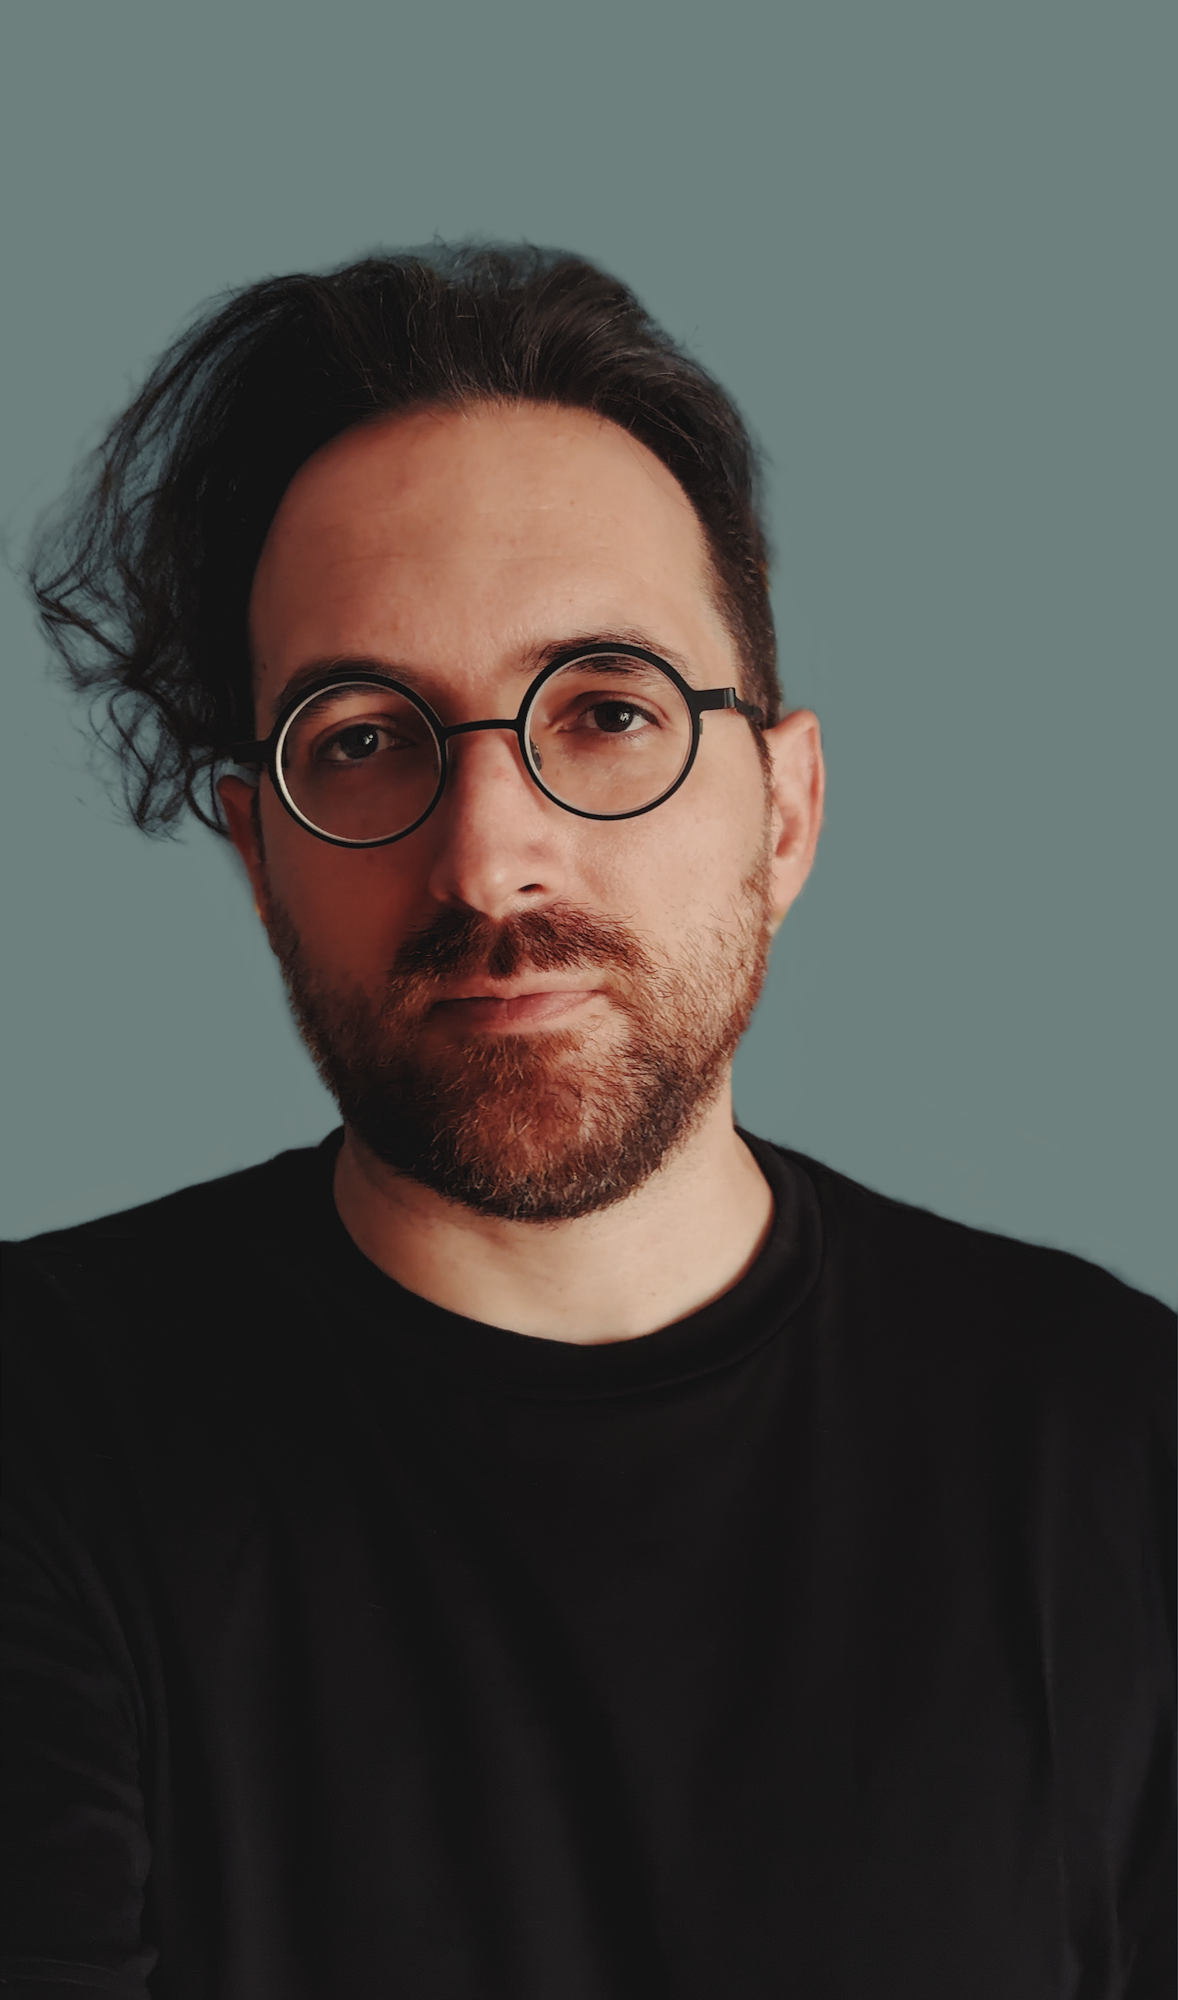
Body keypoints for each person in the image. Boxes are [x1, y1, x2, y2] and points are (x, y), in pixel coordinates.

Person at [2, 244, 1172, 2000]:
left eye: (607, 713)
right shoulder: (35, 1427)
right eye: (362, 740)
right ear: (256, 858)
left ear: (780, 815)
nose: (488, 856)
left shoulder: (1120, 1444)